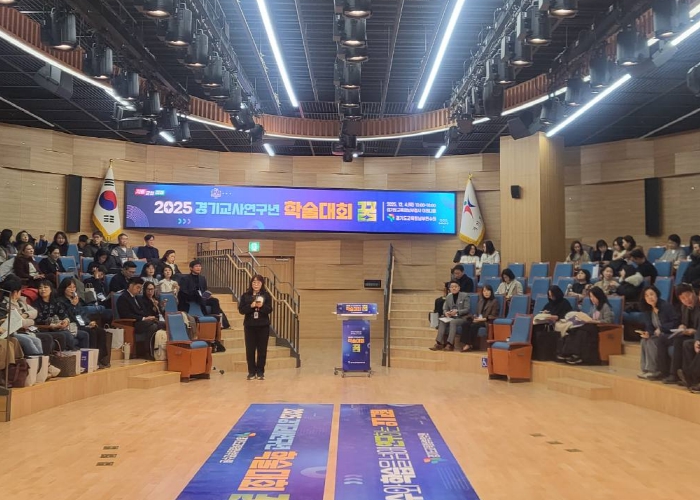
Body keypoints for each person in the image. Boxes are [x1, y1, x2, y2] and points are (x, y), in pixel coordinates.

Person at [57, 278, 111, 368]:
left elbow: (82, 314)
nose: (72, 289)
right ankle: (92, 359)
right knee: (91, 332)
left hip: (83, 324)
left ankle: (100, 358)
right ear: (64, 289)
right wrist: (72, 306)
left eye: (74, 287)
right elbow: (66, 317)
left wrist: (89, 322)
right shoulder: (60, 301)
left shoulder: (77, 300)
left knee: (100, 331)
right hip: (73, 326)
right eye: (69, 287)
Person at [557, 287, 613, 365]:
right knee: (574, 330)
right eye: (590, 297)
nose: (592, 299)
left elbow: (608, 321)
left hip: (599, 328)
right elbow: (588, 316)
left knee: (581, 332)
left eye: (593, 297)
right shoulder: (594, 307)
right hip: (591, 326)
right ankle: (568, 352)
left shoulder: (605, 306)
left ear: (599, 296)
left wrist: (594, 321)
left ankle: (578, 355)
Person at [656, 284, 699, 385]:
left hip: (696, 335)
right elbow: (684, 322)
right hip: (687, 334)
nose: (686, 300)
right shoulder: (684, 307)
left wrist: (694, 331)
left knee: (683, 343)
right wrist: (682, 326)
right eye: (682, 298)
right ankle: (664, 372)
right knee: (663, 339)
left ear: (693, 292)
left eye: (688, 295)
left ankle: (682, 375)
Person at [116, 277, 164, 359]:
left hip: (144, 322)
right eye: (137, 287)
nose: (139, 290)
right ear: (131, 286)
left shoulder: (138, 298)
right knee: (154, 325)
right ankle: (148, 352)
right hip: (133, 323)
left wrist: (151, 314)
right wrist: (143, 318)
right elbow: (126, 315)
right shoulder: (123, 298)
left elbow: (144, 311)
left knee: (161, 325)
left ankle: (157, 351)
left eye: (140, 288)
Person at [638, 286, 679, 380]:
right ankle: (645, 369)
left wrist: (662, 328)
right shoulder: (648, 309)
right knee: (644, 341)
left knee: (651, 341)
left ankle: (654, 370)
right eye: (647, 296)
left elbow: (675, 322)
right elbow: (649, 326)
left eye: (651, 294)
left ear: (657, 294)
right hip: (657, 335)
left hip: (668, 334)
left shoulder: (666, 306)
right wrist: (648, 333)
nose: (650, 297)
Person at [33, 279, 87, 351]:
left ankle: (87, 355)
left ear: (51, 290)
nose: (43, 290)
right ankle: (72, 354)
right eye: (40, 288)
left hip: (60, 327)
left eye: (45, 287)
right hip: (46, 328)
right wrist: (53, 325)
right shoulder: (36, 304)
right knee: (66, 334)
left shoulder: (55, 302)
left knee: (85, 334)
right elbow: (38, 320)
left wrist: (66, 321)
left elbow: (65, 315)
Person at [0, 275, 48, 356]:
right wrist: (28, 320)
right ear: (15, 292)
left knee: (37, 340)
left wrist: (25, 315)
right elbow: (16, 323)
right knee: (28, 341)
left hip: (25, 330)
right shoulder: (5, 305)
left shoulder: (21, 302)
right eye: (20, 291)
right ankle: (36, 361)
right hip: (13, 332)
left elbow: (35, 312)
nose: (21, 293)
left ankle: (41, 361)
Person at [237, 274, 273, 380]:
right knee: (250, 349)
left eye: (258, 282)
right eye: (254, 282)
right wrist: (251, 306)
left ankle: (260, 372)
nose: (256, 284)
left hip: (263, 325)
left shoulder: (266, 295)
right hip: (250, 325)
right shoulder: (245, 295)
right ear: (251, 283)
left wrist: (262, 306)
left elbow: (269, 310)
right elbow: (241, 310)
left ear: (262, 284)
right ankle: (251, 372)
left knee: (262, 350)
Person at [178, 260, 230, 329]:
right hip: (191, 298)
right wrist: (196, 294)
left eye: (199, 266)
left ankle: (216, 320)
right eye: (196, 266)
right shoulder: (185, 278)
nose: (198, 268)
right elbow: (183, 291)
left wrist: (208, 295)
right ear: (191, 268)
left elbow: (204, 290)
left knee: (215, 301)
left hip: (202, 298)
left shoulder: (202, 278)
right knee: (197, 296)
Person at [531, 286, 574, 361]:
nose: (551, 298)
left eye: (552, 296)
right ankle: (535, 352)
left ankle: (543, 353)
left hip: (559, 322)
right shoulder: (549, 303)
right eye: (549, 296)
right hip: (547, 322)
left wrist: (557, 317)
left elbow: (568, 315)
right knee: (534, 327)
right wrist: (544, 313)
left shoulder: (565, 303)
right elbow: (544, 311)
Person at [429, 281, 470, 352]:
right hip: (451, 317)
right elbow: (445, 308)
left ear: (459, 288)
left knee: (453, 322)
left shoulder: (465, 296)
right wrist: (446, 313)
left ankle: (449, 344)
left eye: (455, 287)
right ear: (449, 289)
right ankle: (439, 343)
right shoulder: (449, 296)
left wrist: (457, 312)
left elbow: (467, 309)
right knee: (442, 320)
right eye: (452, 287)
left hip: (461, 317)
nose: (454, 288)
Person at [460, 284, 499, 352]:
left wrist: (482, 319)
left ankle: (469, 344)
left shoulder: (494, 301)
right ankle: (466, 343)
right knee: (465, 323)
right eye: (484, 291)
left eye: (488, 291)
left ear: (491, 292)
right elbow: (478, 313)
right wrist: (475, 318)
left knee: (474, 325)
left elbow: (494, 315)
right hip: (479, 319)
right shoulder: (481, 301)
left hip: (487, 321)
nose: (486, 293)